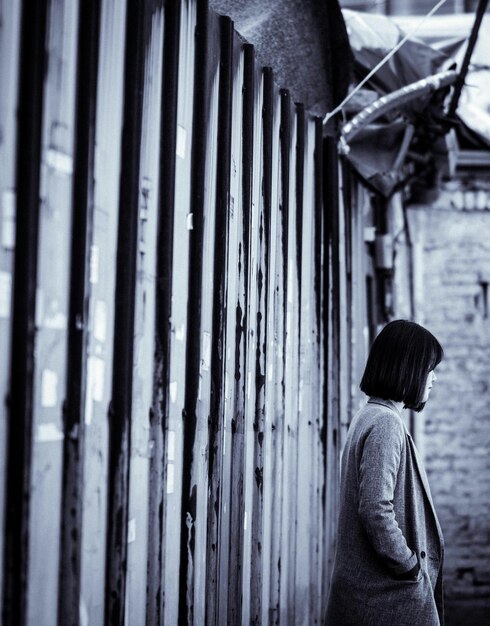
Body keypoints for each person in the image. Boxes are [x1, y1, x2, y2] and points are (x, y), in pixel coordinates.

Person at [325, 319, 445, 626]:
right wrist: (409, 567)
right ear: (407, 368)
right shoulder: (385, 424)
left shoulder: (369, 415)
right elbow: (376, 509)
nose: (432, 379)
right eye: (428, 368)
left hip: (375, 595)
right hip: (384, 599)